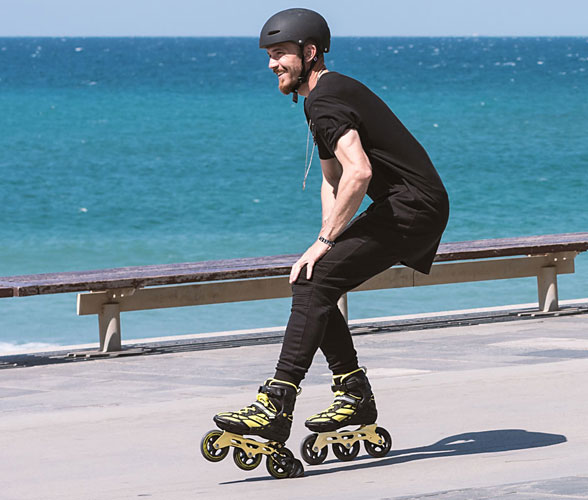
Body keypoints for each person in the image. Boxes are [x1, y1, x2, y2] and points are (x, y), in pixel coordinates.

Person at [212, 7, 449, 464]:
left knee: (315, 279)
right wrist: (325, 240)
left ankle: (276, 404)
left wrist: (324, 244)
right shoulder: (324, 96)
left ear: (310, 52)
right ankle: (352, 392)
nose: (272, 64)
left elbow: (358, 172)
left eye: (280, 54)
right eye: (269, 55)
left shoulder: (325, 100)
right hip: (411, 205)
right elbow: (333, 180)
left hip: (411, 208)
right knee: (315, 279)